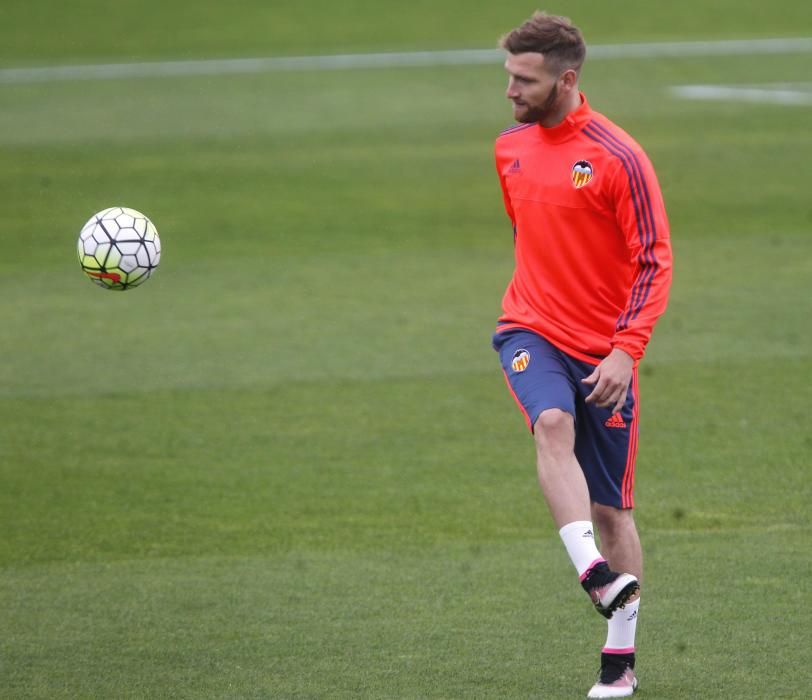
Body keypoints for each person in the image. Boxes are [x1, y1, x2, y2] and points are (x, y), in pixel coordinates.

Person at [491, 12, 673, 699]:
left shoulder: (618, 157)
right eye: (509, 75)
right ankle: (593, 574)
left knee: (612, 513)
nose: (509, 90)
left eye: (524, 79)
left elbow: (655, 262)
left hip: (606, 354)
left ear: (566, 80)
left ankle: (619, 659)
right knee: (550, 425)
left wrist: (627, 351)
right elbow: (528, 237)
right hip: (529, 330)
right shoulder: (508, 146)